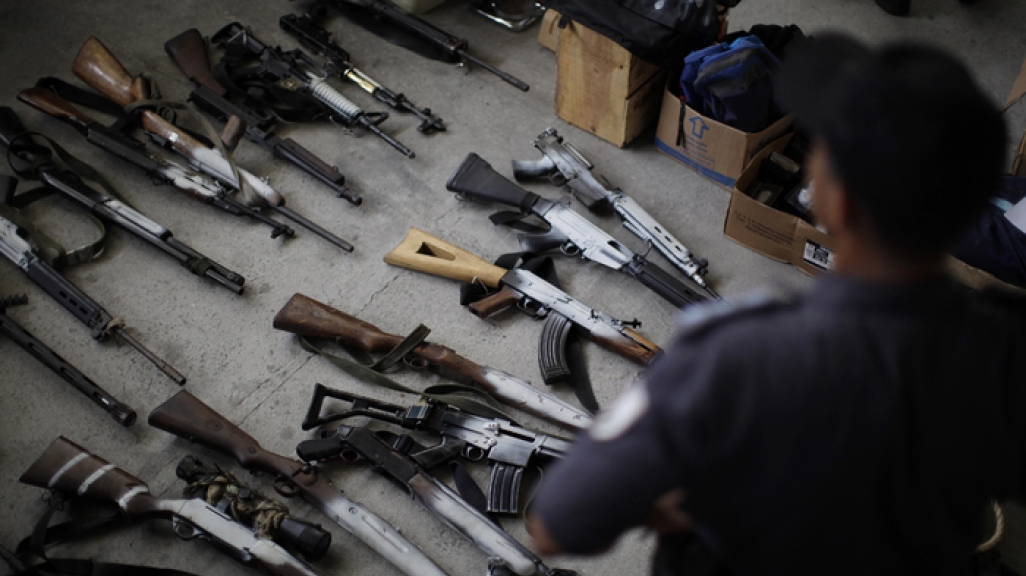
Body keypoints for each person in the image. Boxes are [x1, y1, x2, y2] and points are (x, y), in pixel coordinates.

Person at [527, 33, 1025, 576]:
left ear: (834, 200)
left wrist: (678, 506)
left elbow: (558, 524)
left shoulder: (732, 352)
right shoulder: (1006, 354)